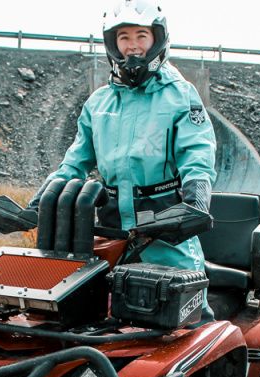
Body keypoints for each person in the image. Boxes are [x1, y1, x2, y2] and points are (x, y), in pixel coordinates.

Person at [26, 0, 217, 317]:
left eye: (141, 36)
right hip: (110, 231)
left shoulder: (181, 95)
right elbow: (73, 165)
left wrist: (197, 204)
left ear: (157, 39)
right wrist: (34, 206)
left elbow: (197, 158)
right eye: (124, 37)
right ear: (112, 43)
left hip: (166, 229)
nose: (133, 47)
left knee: (189, 316)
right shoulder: (97, 103)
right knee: (95, 316)